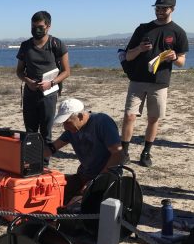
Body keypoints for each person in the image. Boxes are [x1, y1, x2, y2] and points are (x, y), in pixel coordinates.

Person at [120, 0, 189, 167]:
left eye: (163, 8)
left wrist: (174, 57)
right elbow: (128, 56)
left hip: (160, 82)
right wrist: (139, 49)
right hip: (137, 79)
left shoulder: (178, 32)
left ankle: (146, 153)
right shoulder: (143, 29)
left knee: (153, 118)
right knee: (129, 116)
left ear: (172, 9)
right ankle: (124, 152)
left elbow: (181, 62)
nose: (159, 11)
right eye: (157, 8)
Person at [16, 11, 70, 165]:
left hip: (49, 94)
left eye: (39, 27)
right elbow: (19, 71)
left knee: (46, 132)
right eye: (33, 27)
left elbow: (66, 71)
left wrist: (52, 83)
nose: (36, 30)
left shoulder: (57, 44)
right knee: (30, 132)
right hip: (30, 94)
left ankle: (44, 163)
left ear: (48, 26)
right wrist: (28, 81)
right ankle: (32, 162)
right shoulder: (25, 46)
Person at [45, 98, 123, 205]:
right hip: (84, 175)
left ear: (80, 116)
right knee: (54, 194)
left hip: (106, 178)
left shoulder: (102, 122)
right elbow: (53, 147)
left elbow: (118, 154)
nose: (65, 127)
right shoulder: (72, 129)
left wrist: (96, 181)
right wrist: (31, 160)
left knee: (72, 208)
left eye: (67, 122)